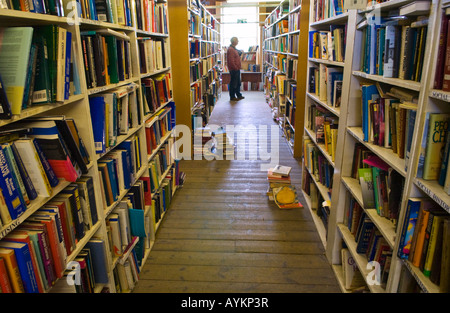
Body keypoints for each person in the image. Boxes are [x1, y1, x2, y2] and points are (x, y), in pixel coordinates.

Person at [226, 37, 244, 101]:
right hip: (234, 69)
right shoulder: (231, 49)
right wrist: (235, 67)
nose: (238, 41)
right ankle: (232, 96)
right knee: (234, 83)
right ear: (234, 42)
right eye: (237, 40)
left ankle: (238, 95)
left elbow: (236, 55)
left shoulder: (233, 48)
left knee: (238, 83)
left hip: (236, 68)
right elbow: (231, 60)